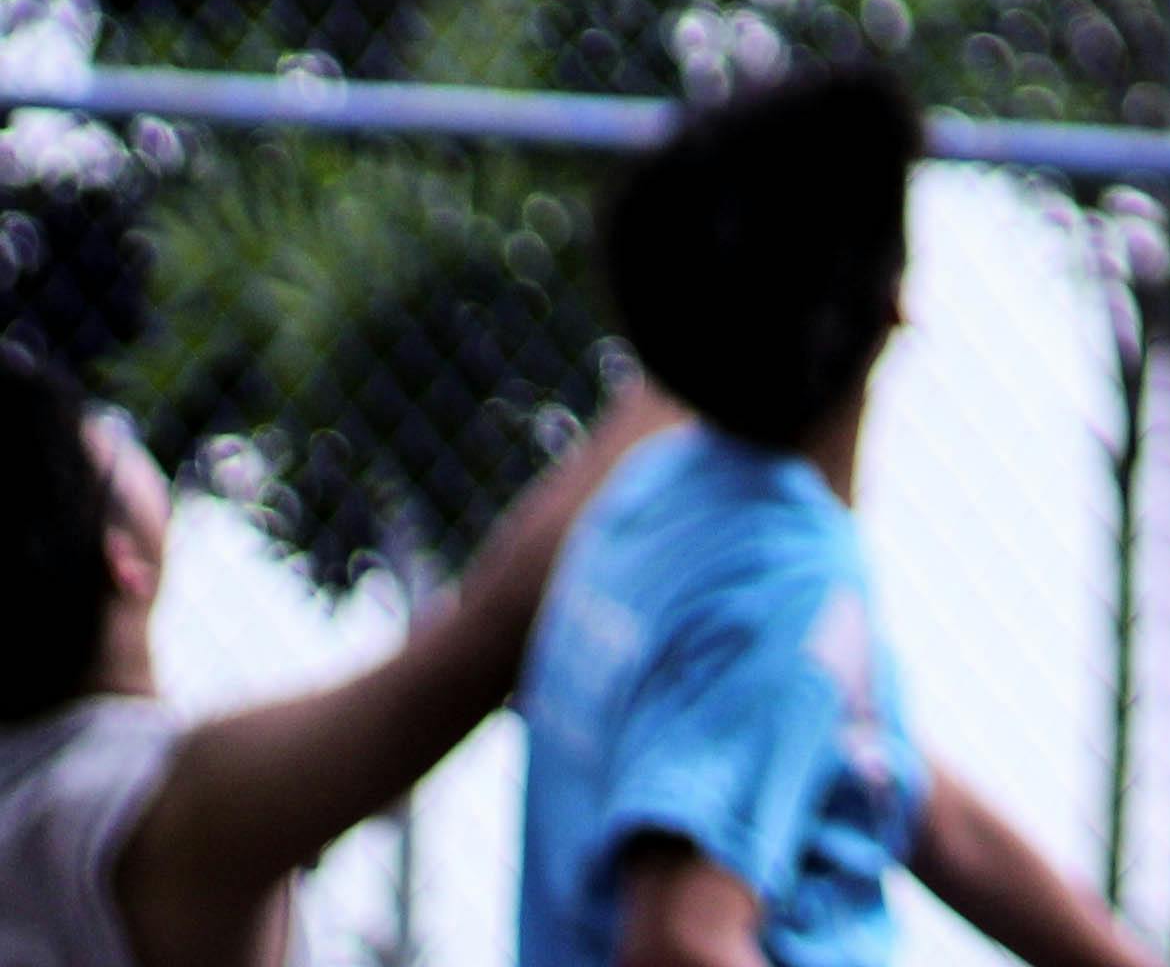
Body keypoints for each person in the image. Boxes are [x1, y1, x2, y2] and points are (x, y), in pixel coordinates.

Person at [513, 68, 1146, 967]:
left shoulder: (657, 497)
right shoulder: (787, 585)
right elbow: (680, 942)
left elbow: (916, 799)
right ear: (892, 306)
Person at [0, 341, 671, 967]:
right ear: (124, 561)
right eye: (109, 446)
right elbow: (482, 643)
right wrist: (673, 386)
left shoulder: (37, 794)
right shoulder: (142, 815)